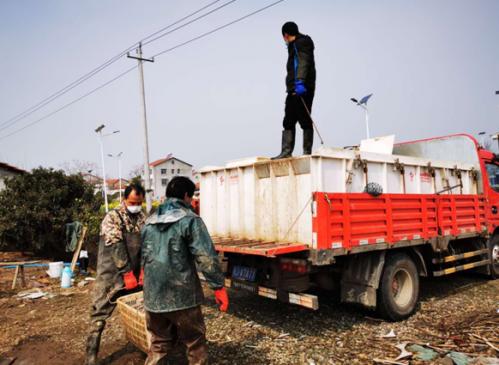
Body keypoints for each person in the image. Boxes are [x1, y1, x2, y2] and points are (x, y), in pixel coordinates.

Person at [141, 176, 228, 365]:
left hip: (153, 296)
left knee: (158, 344)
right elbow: (206, 257)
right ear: (187, 196)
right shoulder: (190, 220)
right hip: (183, 295)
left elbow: (144, 256)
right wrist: (218, 287)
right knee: (195, 343)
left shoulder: (149, 221)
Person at [85, 183, 146, 365]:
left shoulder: (142, 218)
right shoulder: (113, 217)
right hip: (111, 275)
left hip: (135, 273)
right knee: (99, 316)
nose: (136, 205)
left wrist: (142, 270)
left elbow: (147, 245)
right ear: (124, 199)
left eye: (139, 202)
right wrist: (126, 273)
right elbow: (116, 246)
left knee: (141, 310)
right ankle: (91, 357)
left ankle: (144, 348)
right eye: (133, 202)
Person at [272, 21, 316, 160]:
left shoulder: (301, 43)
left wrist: (300, 82)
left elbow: (303, 62)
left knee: (304, 119)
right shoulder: (295, 45)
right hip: (294, 89)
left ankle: (307, 152)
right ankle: (286, 152)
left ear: (285, 35)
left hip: (301, 88)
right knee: (289, 120)